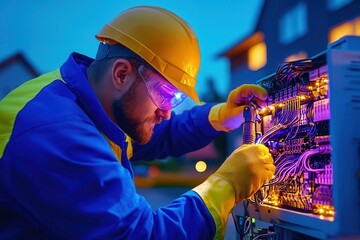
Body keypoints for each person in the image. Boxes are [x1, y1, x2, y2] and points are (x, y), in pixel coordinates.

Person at [0, 6, 275, 240]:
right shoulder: (59, 135)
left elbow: (161, 133)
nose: (166, 112)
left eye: (175, 98)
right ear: (121, 73)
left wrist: (221, 115)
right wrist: (226, 185)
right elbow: (144, 235)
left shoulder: (91, 106)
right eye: (165, 95)